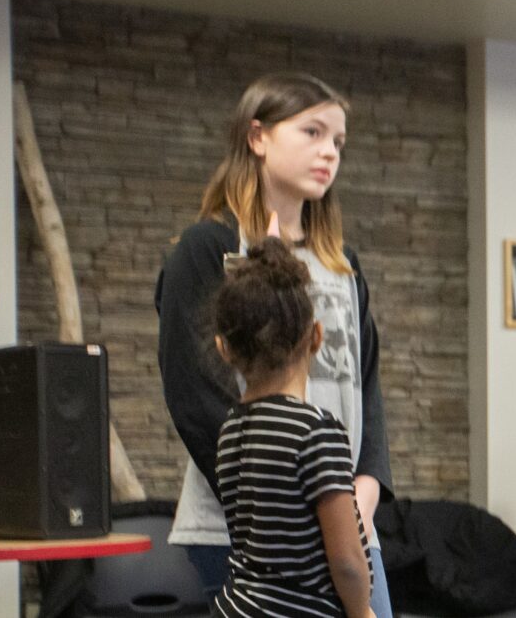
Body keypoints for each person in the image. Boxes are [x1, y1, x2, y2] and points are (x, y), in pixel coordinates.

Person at [155, 73, 394, 618]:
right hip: (246, 530)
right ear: (257, 136)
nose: (329, 152)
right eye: (312, 132)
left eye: (338, 141)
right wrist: (287, 500)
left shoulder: (343, 264)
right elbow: (193, 392)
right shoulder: (206, 248)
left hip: (347, 520)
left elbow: (367, 385)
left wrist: (361, 491)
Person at [209, 238, 377, 618]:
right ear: (316, 336)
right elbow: (348, 561)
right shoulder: (316, 432)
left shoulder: (230, 431)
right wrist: (362, 611)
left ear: (224, 348)